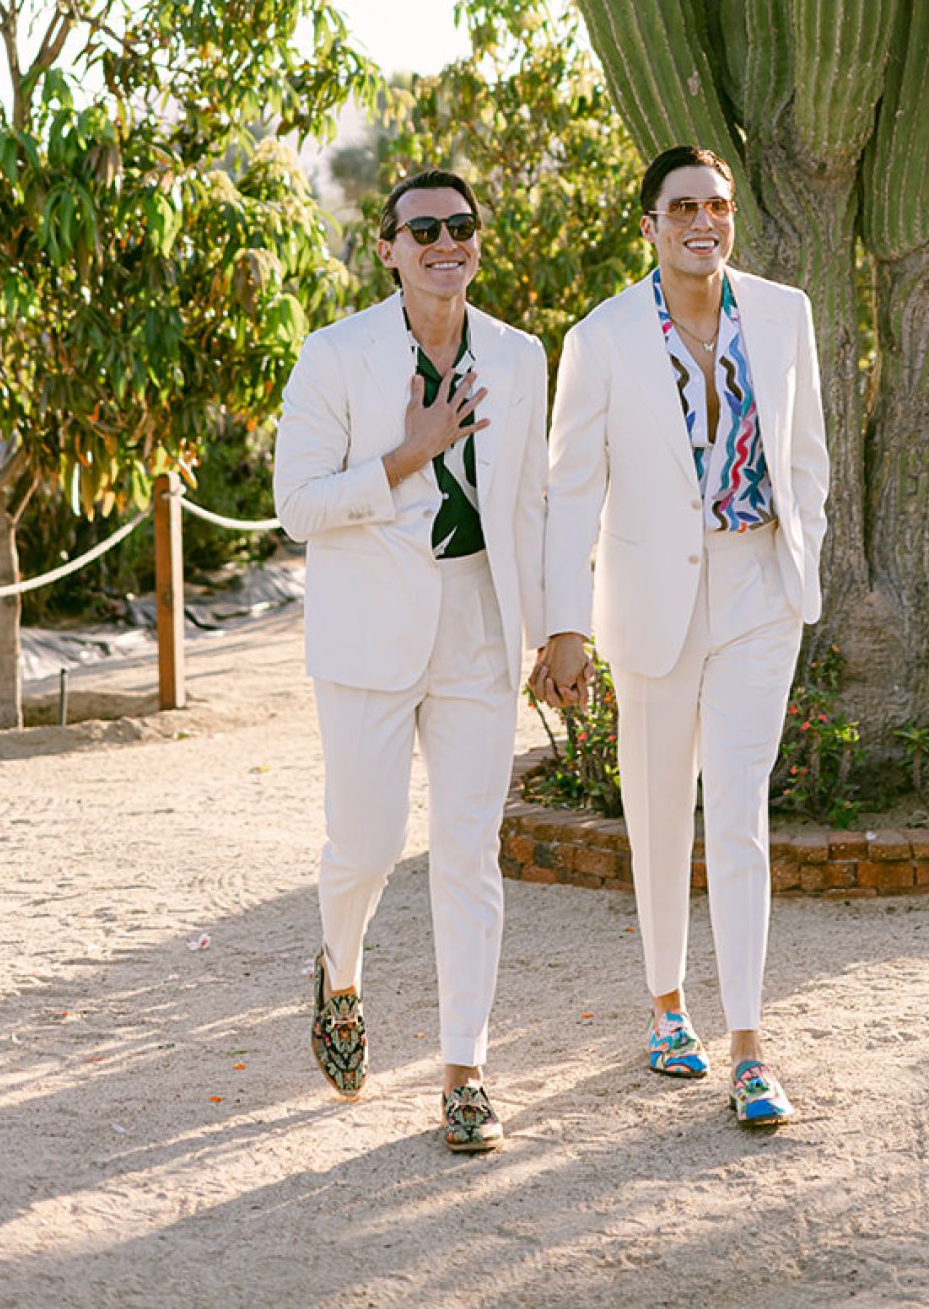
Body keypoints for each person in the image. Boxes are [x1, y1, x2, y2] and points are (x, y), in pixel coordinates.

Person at [537, 146, 829, 1131]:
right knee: (660, 808)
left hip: (757, 588)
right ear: (651, 225)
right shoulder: (600, 337)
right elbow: (570, 488)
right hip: (651, 595)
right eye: (684, 207)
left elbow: (807, 455)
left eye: (718, 204)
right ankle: (667, 1003)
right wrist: (564, 624)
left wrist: (800, 554)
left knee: (739, 809)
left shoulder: (784, 314)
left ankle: (749, 1045)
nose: (704, 220)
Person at [273, 167, 548, 1153]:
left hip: (478, 619)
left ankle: (465, 1071)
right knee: (367, 844)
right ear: (387, 247)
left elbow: (532, 502)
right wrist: (409, 451)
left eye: (461, 225)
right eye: (422, 228)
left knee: (469, 850)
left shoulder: (520, 355)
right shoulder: (334, 352)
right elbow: (297, 504)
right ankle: (340, 973)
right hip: (366, 629)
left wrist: (557, 627)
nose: (445, 241)